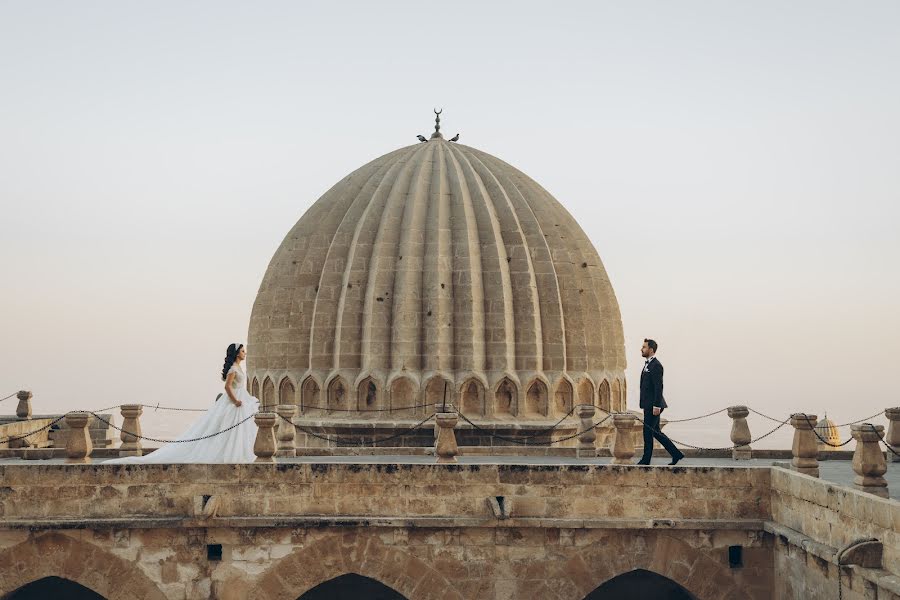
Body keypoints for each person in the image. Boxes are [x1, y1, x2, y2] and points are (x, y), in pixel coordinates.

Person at [105, 343, 260, 464]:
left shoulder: (238, 367)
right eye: (242, 351)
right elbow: (227, 386)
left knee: (235, 428)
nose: (244, 353)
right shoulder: (233, 368)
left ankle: (236, 452)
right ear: (236, 353)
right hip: (235, 400)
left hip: (239, 398)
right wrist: (236, 401)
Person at [636, 338, 684, 466]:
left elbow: (658, 387)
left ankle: (646, 460)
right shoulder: (648, 364)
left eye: (644, 347)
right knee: (656, 432)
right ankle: (676, 454)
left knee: (647, 432)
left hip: (654, 405)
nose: (641, 349)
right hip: (649, 404)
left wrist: (656, 405)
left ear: (651, 350)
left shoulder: (656, 365)